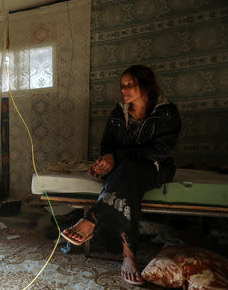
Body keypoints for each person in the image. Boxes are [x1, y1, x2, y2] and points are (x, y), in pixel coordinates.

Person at [61, 65, 181, 285]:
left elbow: (160, 150)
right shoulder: (119, 112)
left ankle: (91, 220)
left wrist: (116, 158)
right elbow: (107, 144)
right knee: (126, 176)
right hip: (124, 170)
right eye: (122, 86)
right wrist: (104, 163)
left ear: (145, 85)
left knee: (129, 170)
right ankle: (128, 256)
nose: (124, 90)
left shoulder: (166, 112)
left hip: (155, 167)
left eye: (130, 85)